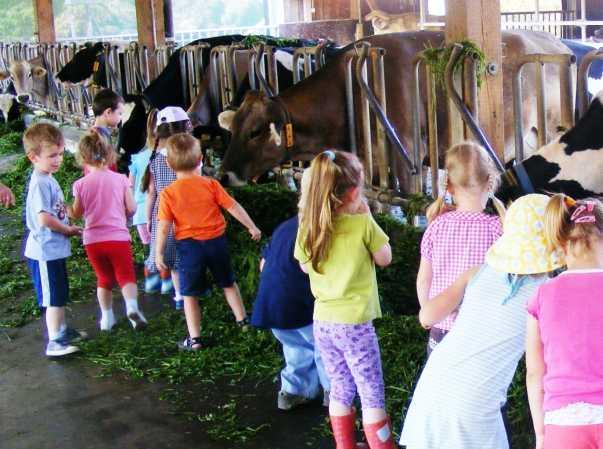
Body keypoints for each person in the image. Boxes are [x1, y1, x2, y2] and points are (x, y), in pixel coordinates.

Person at [400, 194, 564, 449]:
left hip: (431, 387)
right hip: (474, 403)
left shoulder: (479, 271)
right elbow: (538, 371)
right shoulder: (545, 292)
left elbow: (427, 316)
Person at [295, 150, 395, 449]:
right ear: (353, 193)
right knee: (371, 390)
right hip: (355, 325)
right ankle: (381, 446)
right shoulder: (362, 224)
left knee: (340, 386)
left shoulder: (308, 228)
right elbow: (385, 258)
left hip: (323, 323)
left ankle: (345, 445)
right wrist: (366, 218)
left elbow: (303, 265)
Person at [156, 133, 261, 351]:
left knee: (189, 294)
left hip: (189, 247)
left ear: (168, 164)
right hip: (216, 243)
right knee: (228, 282)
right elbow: (233, 207)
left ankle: (195, 339)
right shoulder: (210, 185)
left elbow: (164, 227)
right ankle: (243, 322)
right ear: (201, 158)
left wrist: (159, 253)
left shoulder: (168, 194)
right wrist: (251, 226)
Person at [526, 194, 603, 449]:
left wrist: (540, 434)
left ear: (563, 246)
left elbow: (535, 373)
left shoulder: (542, 294)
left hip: (564, 424)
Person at [417, 141, 505, 354]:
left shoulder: (437, 226)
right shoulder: (498, 229)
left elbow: (423, 279)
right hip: (481, 330)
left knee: (439, 384)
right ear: (490, 183)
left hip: (441, 328)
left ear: (448, 186)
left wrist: (428, 311)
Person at [251, 214, 330, 410]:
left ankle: (293, 392)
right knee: (325, 347)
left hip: (271, 304)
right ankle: (334, 395)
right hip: (301, 303)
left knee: (295, 346)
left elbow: (263, 265)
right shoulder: (322, 229)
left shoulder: (286, 226)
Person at [71, 130, 146, 331]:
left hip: (92, 240)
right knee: (125, 275)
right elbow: (131, 208)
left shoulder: (79, 185)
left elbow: (77, 213)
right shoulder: (121, 180)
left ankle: (107, 318)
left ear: (83, 158)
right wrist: (125, 214)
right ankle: (132, 308)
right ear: (110, 154)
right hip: (118, 237)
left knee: (103, 278)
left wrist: (67, 210)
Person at [22, 123, 86, 357]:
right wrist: (67, 229)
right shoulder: (39, 183)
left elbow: (57, 209)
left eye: (60, 154)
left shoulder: (48, 177)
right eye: (52, 156)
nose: (58, 160)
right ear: (33, 157)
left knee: (60, 293)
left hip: (54, 250)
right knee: (53, 297)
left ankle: (61, 330)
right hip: (44, 251)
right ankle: (55, 341)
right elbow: (44, 219)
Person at [141, 106, 190, 307]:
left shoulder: (156, 158)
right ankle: (189, 294)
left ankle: (179, 296)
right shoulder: (188, 156)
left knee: (170, 258)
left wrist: (148, 218)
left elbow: (151, 192)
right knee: (184, 257)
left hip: (162, 213)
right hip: (184, 210)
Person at [128, 109, 155, 248]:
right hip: (161, 212)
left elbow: (130, 186)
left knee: (151, 254)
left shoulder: (137, 158)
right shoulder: (168, 156)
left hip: (140, 214)